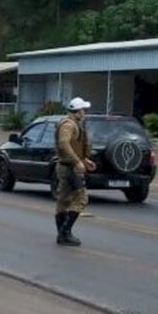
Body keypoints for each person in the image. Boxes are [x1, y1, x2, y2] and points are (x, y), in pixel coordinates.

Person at [54, 97, 96, 246]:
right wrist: (77, 161)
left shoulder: (73, 124)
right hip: (70, 168)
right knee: (81, 198)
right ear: (77, 112)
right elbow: (63, 143)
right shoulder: (69, 125)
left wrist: (84, 160)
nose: (85, 113)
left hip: (67, 166)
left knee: (63, 200)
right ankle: (65, 232)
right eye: (83, 110)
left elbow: (73, 145)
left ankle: (62, 235)